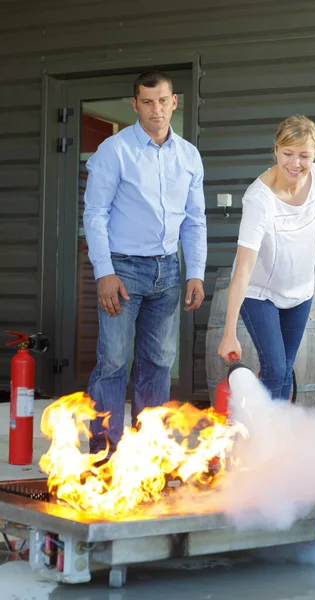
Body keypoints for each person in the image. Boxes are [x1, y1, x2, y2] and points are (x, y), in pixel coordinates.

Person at [83, 70, 207, 455]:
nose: (157, 110)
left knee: (158, 362)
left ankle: (147, 451)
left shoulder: (188, 155)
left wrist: (195, 274)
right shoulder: (114, 150)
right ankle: (104, 453)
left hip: (168, 270)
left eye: (163, 101)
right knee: (114, 360)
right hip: (122, 269)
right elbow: (95, 213)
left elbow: (195, 219)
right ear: (135, 105)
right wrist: (104, 272)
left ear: (175, 102)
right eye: (148, 102)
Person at [218, 115, 315, 401]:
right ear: (275, 149)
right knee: (274, 369)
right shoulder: (259, 200)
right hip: (260, 293)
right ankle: (261, 439)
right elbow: (244, 267)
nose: (295, 164)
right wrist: (228, 332)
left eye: (304, 156)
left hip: (300, 291)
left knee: (285, 370)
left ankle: (277, 437)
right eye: (287, 154)